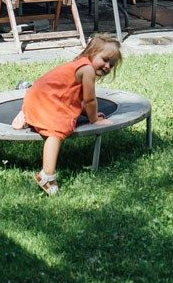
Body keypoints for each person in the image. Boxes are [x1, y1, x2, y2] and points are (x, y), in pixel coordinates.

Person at [12, 34, 123, 195]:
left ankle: (28, 114)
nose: (107, 66)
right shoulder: (87, 70)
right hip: (46, 99)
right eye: (105, 59)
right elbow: (90, 99)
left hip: (35, 96)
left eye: (111, 65)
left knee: (62, 114)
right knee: (57, 132)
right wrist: (94, 120)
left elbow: (72, 95)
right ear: (91, 53)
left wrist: (88, 112)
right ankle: (47, 175)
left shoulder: (80, 64)